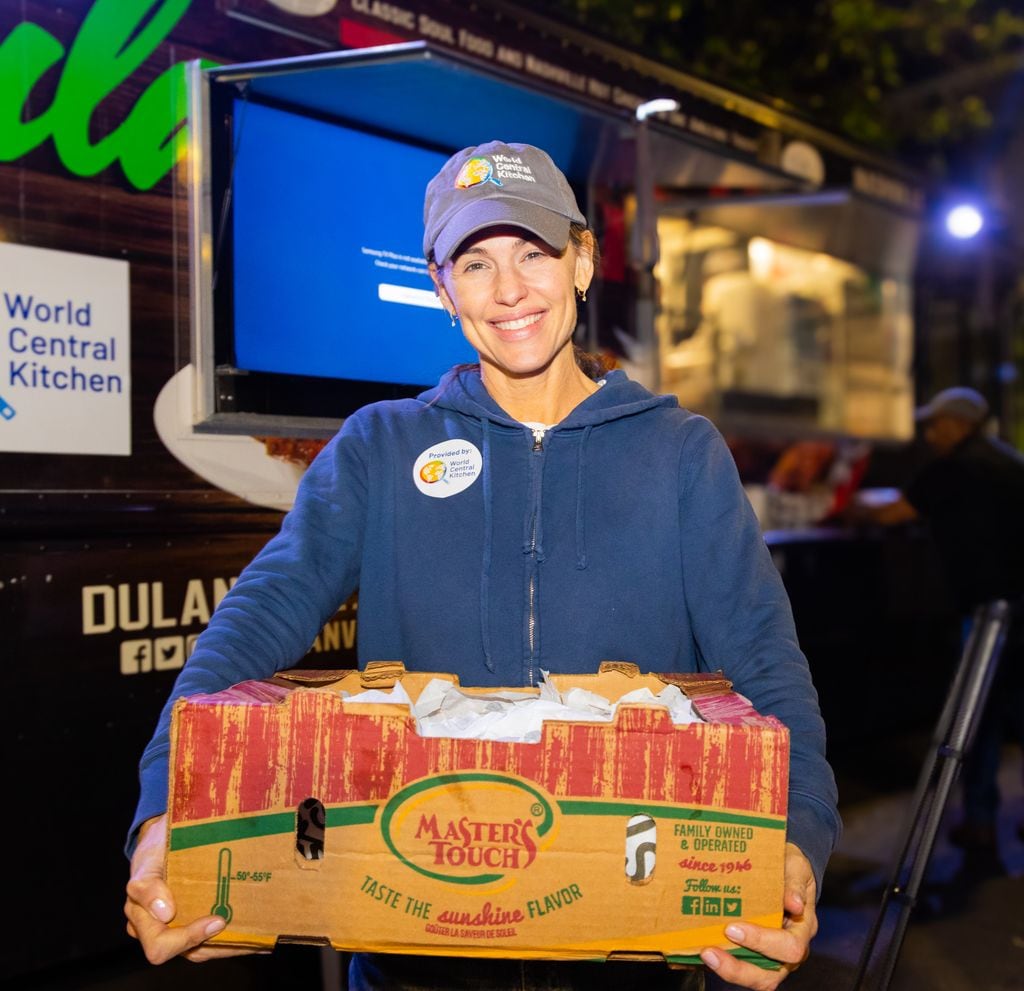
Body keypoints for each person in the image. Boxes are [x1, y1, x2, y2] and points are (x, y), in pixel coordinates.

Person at [124, 140, 840, 990]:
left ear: (582, 261)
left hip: (630, 942)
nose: (508, 290)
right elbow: (252, 623)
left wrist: (798, 840)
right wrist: (166, 810)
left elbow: (765, 660)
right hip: (412, 947)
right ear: (441, 287)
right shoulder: (381, 445)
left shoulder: (679, 451)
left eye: (533, 253)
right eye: (475, 262)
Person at [851, 385, 1024, 850]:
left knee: (977, 717)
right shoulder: (1010, 463)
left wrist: (848, 505)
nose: (929, 435)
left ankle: (981, 824)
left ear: (957, 425)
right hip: (1019, 604)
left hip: (987, 613)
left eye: (935, 425)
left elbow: (891, 514)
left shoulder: (953, 469)